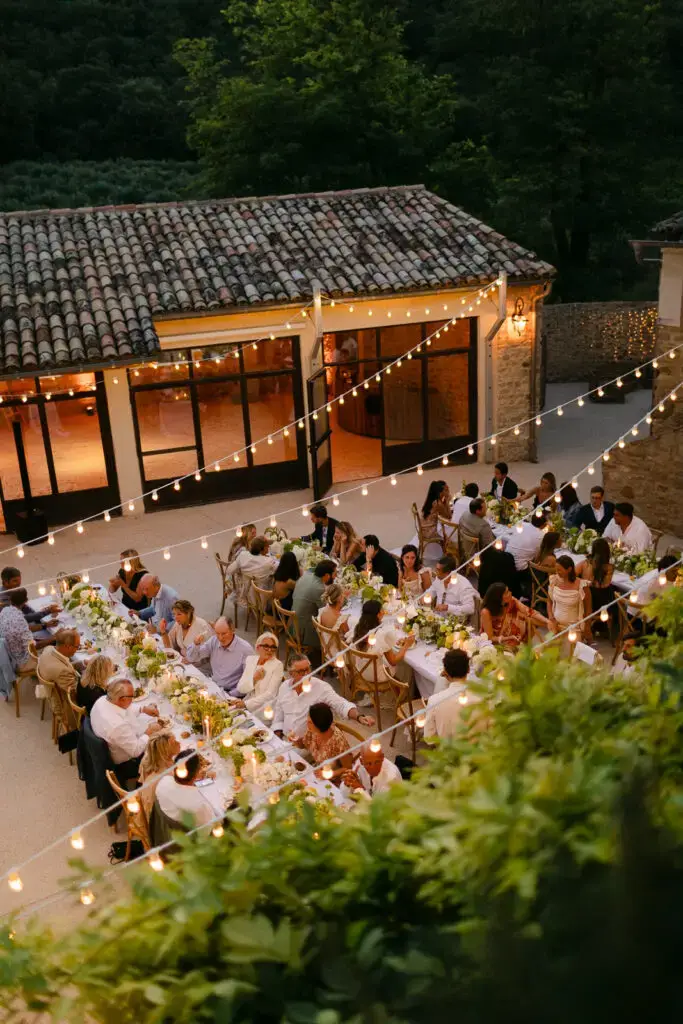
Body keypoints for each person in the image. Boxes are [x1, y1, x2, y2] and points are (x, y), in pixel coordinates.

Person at [272, 654, 374, 738]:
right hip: (284, 739)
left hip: (308, 745)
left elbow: (341, 704)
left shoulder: (321, 687)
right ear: (291, 674)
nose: (306, 674)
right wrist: (277, 735)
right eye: (300, 671)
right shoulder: (284, 687)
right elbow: (278, 713)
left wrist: (359, 717)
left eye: (307, 669)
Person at [90, 678, 162, 782]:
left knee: (145, 722)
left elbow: (125, 708)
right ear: (121, 699)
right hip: (128, 761)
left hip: (121, 741)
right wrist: (149, 732)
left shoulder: (103, 700)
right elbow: (135, 751)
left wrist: (143, 709)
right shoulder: (116, 726)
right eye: (132, 697)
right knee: (165, 746)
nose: (132, 699)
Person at [185, 616, 254, 695]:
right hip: (213, 686)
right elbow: (191, 658)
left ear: (233, 630)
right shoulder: (214, 640)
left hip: (231, 693)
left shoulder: (246, 650)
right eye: (217, 633)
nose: (220, 638)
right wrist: (196, 644)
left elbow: (248, 681)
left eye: (224, 634)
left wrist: (229, 695)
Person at [351, 599, 416, 683]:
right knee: (405, 665)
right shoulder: (381, 634)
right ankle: (401, 686)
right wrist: (406, 645)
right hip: (376, 676)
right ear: (378, 615)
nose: (384, 611)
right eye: (382, 609)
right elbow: (393, 661)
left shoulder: (359, 627)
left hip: (361, 670)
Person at [423, 649, 475, 741]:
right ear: (468, 670)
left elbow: (429, 739)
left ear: (445, 673)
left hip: (447, 752)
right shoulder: (484, 697)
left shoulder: (434, 701)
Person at [481, 582, 550, 649]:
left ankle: (551, 625)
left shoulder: (512, 601)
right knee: (524, 617)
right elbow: (490, 638)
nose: (510, 593)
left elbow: (529, 611)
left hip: (514, 635)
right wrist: (508, 638)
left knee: (527, 616)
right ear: (499, 598)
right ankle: (554, 627)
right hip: (496, 644)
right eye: (507, 592)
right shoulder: (486, 612)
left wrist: (547, 621)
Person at [155, 751, 214, 828]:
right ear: (197, 773)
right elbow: (210, 827)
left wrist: (199, 780)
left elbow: (183, 789)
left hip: (167, 827)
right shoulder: (199, 805)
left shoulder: (163, 782)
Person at [0, 589, 53, 671]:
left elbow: (23, 629)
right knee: (55, 647)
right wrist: (56, 637)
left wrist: (45, 625)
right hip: (21, 663)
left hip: (10, 656)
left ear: (10, 600)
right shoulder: (20, 620)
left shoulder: (4, 611)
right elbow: (33, 647)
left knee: (46, 636)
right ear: (25, 601)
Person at [296, 702, 353, 779]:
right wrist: (296, 741)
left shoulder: (338, 741)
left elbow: (348, 769)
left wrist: (328, 774)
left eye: (310, 722)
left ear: (319, 724)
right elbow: (304, 745)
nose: (307, 724)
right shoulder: (312, 731)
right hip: (318, 771)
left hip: (335, 779)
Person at [292, 559, 337, 654]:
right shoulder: (319, 589)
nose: (336, 576)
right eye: (334, 574)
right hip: (303, 631)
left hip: (292, 623)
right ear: (327, 576)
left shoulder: (306, 576)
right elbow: (327, 610)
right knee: (334, 624)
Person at [236, 632, 284, 716]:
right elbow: (240, 688)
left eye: (273, 647)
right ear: (258, 647)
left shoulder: (277, 665)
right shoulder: (251, 660)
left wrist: (246, 704)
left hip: (264, 711)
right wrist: (254, 679)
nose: (270, 650)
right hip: (246, 705)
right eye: (266, 646)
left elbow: (270, 695)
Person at [548, 555, 592, 641]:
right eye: (556, 570)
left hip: (574, 629)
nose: (557, 572)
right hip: (555, 627)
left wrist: (587, 627)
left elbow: (588, 609)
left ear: (569, 569)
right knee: (545, 650)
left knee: (572, 653)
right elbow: (549, 601)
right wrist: (551, 617)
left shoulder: (582, 586)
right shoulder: (554, 581)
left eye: (559, 570)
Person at [139, 730, 181, 820]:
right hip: (159, 820)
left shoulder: (147, 760)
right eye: (174, 743)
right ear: (165, 752)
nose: (179, 743)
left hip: (148, 806)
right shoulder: (168, 776)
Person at [577, 537, 615, 629]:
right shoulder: (610, 568)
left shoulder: (585, 564)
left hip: (587, 601)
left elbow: (572, 575)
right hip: (604, 603)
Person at [36, 628, 81, 696]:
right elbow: (76, 693)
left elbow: (64, 664)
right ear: (68, 647)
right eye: (77, 647)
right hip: (62, 700)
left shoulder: (48, 648)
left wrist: (82, 663)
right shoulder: (63, 672)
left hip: (49, 686)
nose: (77, 649)